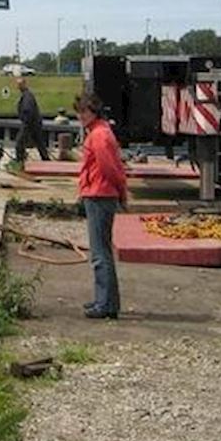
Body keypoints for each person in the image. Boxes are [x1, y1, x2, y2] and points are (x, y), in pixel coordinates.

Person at [74, 91, 128, 319]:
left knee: (99, 253)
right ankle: (105, 300)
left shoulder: (98, 136)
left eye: (84, 112)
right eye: (79, 113)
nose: (80, 117)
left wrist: (120, 193)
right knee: (102, 250)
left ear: (93, 112)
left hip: (99, 195)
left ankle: (105, 304)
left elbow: (109, 168)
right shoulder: (101, 133)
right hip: (99, 193)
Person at [13, 76, 49, 165]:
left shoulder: (27, 96)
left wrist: (25, 123)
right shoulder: (27, 95)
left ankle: (19, 161)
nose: (18, 87)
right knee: (39, 143)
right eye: (18, 85)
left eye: (20, 85)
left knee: (19, 143)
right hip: (34, 123)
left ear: (24, 84)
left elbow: (28, 110)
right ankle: (46, 159)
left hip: (30, 124)